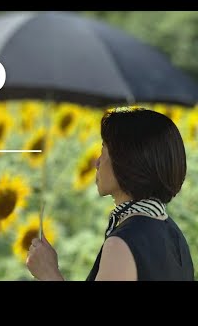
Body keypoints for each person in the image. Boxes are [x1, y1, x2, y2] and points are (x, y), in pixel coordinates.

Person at [26, 107, 194, 281]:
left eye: (103, 150)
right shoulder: (175, 237)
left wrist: (48, 273)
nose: (97, 162)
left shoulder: (123, 244)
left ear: (127, 161)